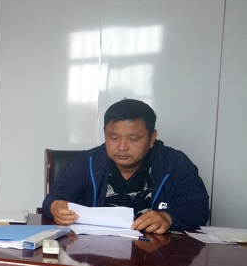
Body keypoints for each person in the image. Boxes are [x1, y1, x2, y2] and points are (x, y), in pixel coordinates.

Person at [42, 98, 210, 234]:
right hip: (94, 252)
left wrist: (168, 217)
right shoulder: (87, 162)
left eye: (133, 139)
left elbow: (198, 209)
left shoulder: (173, 163)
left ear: (152, 138)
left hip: (154, 254)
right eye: (114, 138)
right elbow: (54, 199)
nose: (122, 147)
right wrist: (55, 206)